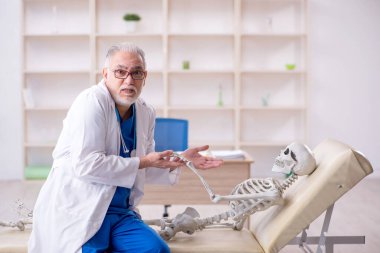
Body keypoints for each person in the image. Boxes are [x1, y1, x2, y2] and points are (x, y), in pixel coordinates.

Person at [28, 42, 223, 253]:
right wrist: (145, 161)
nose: (129, 80)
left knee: (156, 250)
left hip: (119, 213)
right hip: (81, 209)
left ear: (144, 77)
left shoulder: (145, 112)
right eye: (120, 72)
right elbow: (86, 164)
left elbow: (143, 168)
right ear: (105, 74)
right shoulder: (91, 102)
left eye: (136, 73)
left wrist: (181, 159)